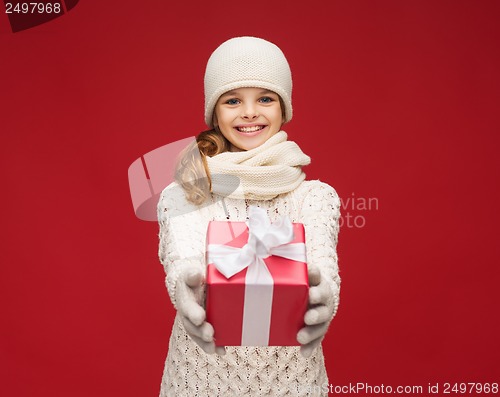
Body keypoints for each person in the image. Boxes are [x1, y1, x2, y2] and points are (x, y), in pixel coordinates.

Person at [157, 36, 341, 396]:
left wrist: (327, 296)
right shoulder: (183, 194)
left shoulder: (315, 197)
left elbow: (323, 265)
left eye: (265, 98)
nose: (250, 112)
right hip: (198, 383)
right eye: (233, 100)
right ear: (214, 112)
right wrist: (184, 285)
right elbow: (183, 260)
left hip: (294, 384)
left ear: (284, 108)